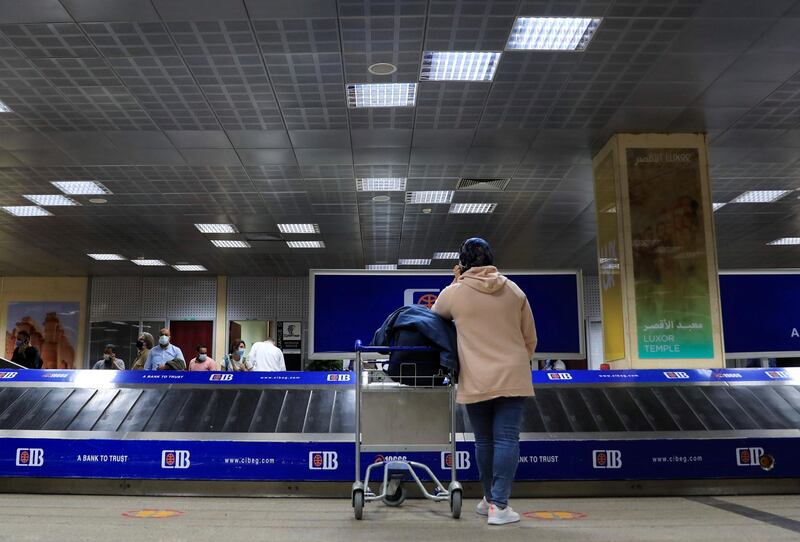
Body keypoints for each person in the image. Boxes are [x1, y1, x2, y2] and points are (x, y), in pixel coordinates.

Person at [432, 237, 536, 526]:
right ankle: (498, 505)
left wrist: (456, 280)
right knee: (506, 438)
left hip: (475, 376)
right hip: (513, 374)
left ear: (462, 262)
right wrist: (514, 361)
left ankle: (491, 500)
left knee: (485, 440)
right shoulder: (514, 290)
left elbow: (433, 323)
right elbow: (530, 338)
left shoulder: (454, 293)